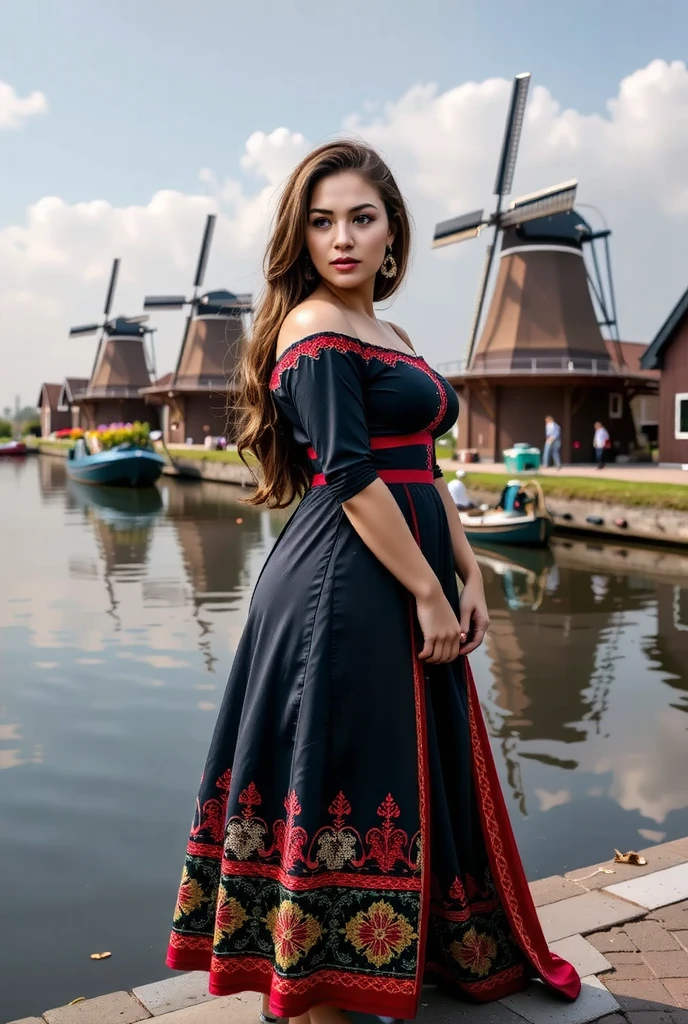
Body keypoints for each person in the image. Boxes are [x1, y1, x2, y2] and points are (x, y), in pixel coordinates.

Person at [166, 141, 580, 1023]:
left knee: (410, 754)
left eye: (361, 217)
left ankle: (406, 949)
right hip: (340, 583)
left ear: (393, 234)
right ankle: (320, 980)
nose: (342, 238)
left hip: (413, 560)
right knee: (343, 758)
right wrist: (424, 590)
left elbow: (424, 467)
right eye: (322, 222)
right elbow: (351, 474)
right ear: (302, 239)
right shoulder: (310, 328)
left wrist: (466, 573)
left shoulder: (391, 336)